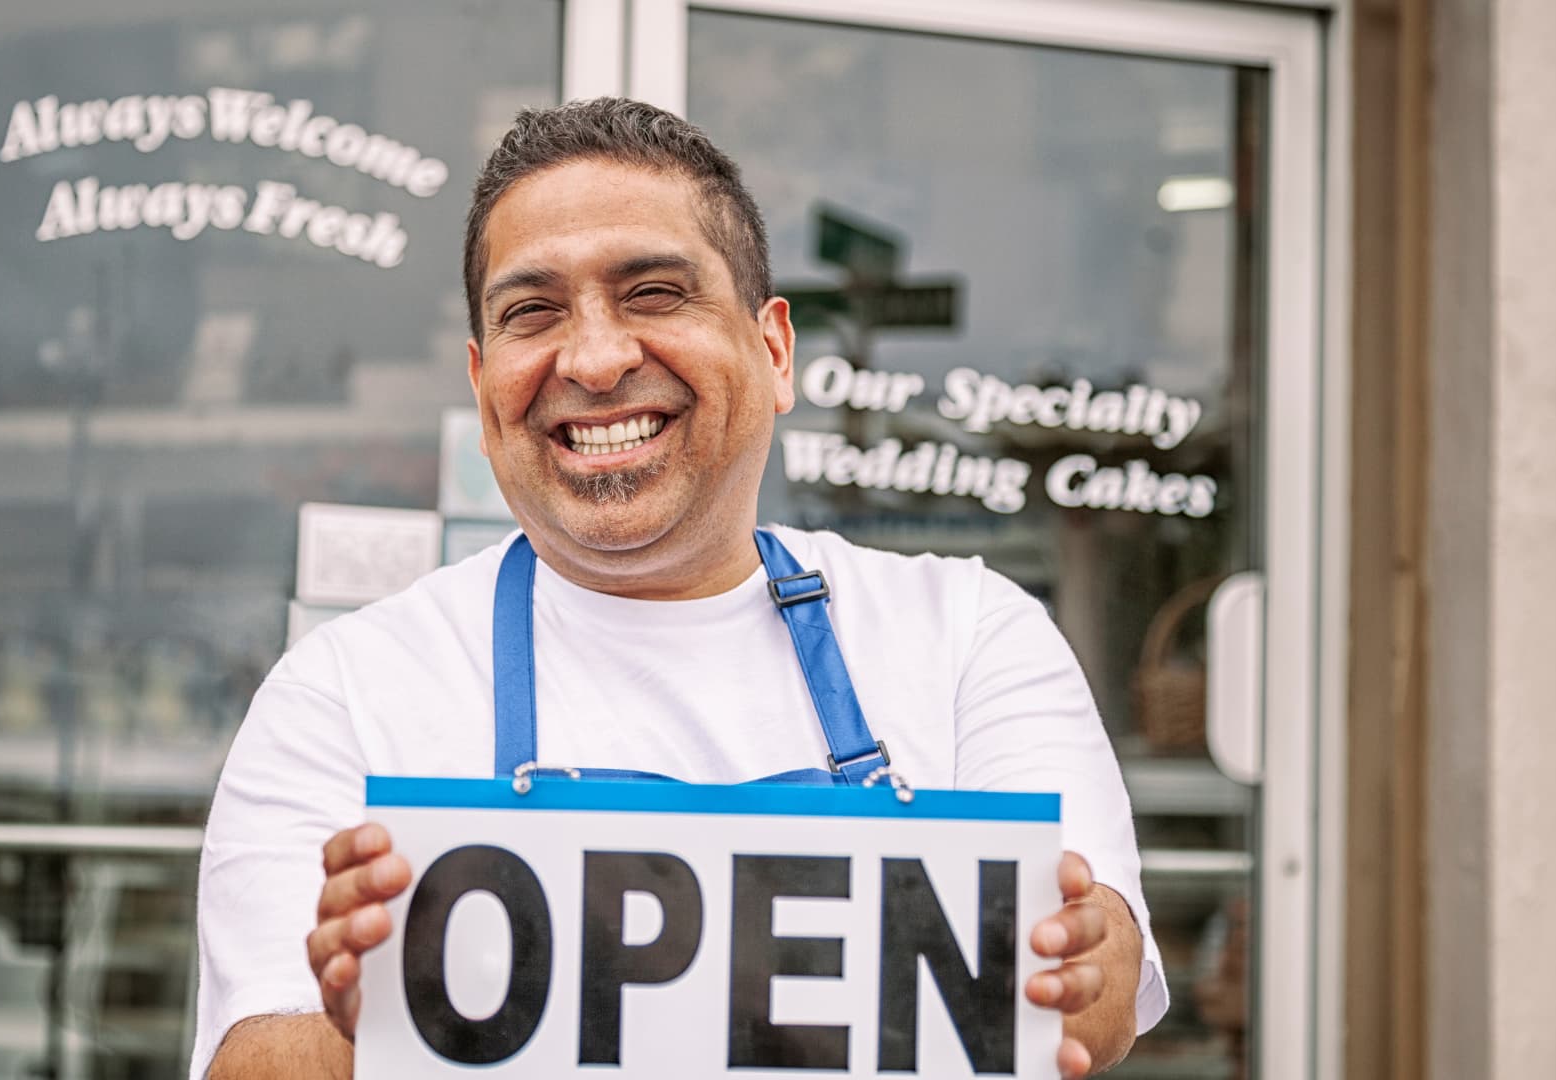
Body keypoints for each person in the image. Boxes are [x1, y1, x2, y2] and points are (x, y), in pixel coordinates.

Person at [192, 98, 1167, 1080]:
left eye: (654, 294)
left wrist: (1077, 966)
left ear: (776, 352)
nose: (597, 358)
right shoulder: (345, 694)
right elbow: (252, 1058)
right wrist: (371, 1034)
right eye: (534, 313)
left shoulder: (968, 636)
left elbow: (1094, 1002)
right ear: (485, 387)